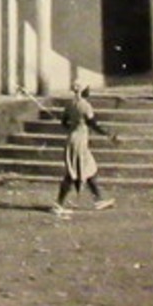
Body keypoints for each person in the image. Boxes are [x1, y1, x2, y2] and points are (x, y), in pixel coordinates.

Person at [51, 83, 117, 216]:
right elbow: (93, 124)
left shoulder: (70, 104)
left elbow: (64, 123)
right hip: (80, 141)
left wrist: (73, 124)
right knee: (73, 173)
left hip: (72, 138)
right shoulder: (85, 106)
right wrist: (108, 134)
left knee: (88, 169)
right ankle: (58, 204)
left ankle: (98, 199)